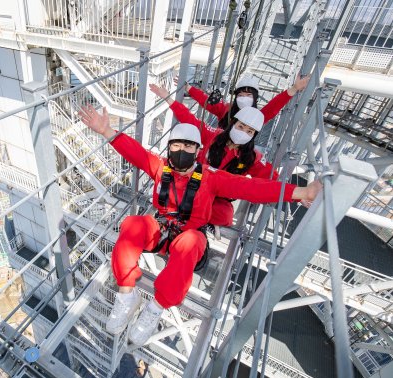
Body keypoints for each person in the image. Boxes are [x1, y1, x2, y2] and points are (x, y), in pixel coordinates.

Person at [77, 105, 322, 347]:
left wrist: (299, 191)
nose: (181, 150)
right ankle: (126, 295)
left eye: (188, 145)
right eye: (176, 145)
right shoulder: (160, 167)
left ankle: (155, 307)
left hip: (190, 237)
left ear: (197, 150)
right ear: (169, 147)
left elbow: (252, 188)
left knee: (191, 241)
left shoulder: (211, 177)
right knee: (132, 224)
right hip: (162, 231)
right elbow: (135, 153)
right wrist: (106, 130)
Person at [149, 83, 303, 227]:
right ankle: (185, 216)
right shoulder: (214, 136)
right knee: (176, 193)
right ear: (233, 124)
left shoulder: (250, 158)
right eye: (241, 126)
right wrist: (168, 98)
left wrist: (297, 194)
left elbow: (271, 178)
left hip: (218, 195)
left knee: (225, 217)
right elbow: (190, 120)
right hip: (195, 183)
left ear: (253, 135)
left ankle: (194, 217)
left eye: (249, 131)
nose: (243, 132)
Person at [174, 74, 311, 130]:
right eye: (241, 94)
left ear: (255, 98)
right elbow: (206, 101)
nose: (244, 97)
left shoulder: (257, 117)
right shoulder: (226, 110)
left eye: (248, 94)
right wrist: (189, 88)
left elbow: (273, 107)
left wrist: (293, 89)